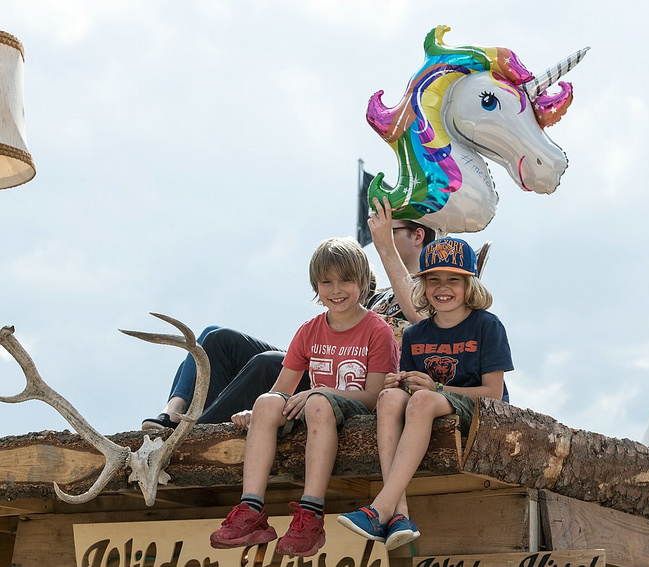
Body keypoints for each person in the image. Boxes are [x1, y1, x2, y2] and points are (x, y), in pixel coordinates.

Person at [140, 196, 434, 430]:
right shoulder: (379, 293)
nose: (377, 234)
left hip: (351, 383)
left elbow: (420, 317)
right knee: (217, 338)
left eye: (387, 228)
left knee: (267, 364)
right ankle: (174, 414)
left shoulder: (433, 288)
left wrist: (384, 245)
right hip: (323, 360)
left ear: (417, 235)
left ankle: (195, 437)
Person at [208, 236, 400, 556]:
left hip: (352, 415)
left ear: (364, 281)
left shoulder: (378, 330)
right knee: (266, 402)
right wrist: (257, 415)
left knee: (317, 402)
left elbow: (375, 396)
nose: (336, 290)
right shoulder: (309, 330)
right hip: (316, 408)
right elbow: (281, 390)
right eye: (326, 282)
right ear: (315, 285)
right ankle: (251, 510)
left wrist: (319, 391)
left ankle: (311, 514)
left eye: (345, 280)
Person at [337, 237, 513, 550]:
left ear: (469, 283)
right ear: (423, 284)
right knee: (389, 399)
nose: (442, 287)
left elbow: (493, 393)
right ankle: (399, 515)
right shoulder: (416, 334)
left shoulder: (487, 326)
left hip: (480, 410)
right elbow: (413, 388)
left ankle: (380, 508)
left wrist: (437, 388)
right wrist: (400, 383)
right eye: (433, 279)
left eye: (453, 280)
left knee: (422, 400)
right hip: (429, 403)